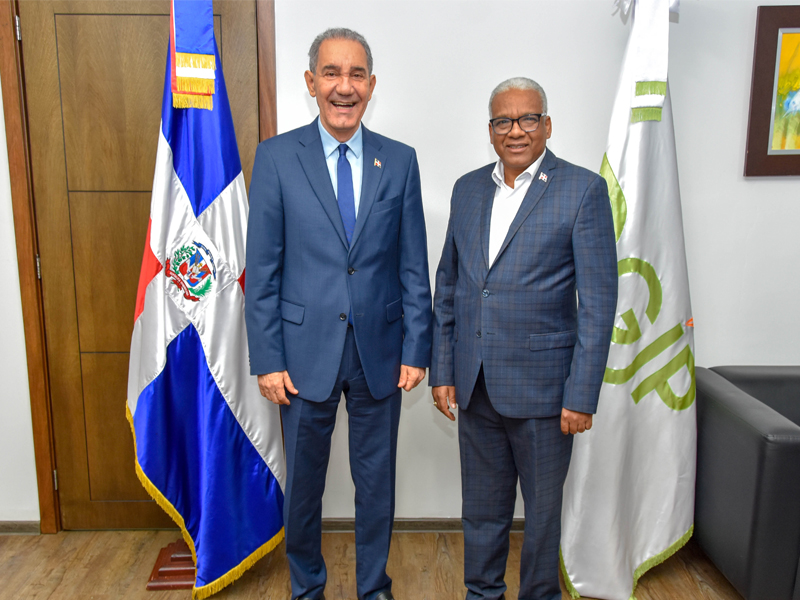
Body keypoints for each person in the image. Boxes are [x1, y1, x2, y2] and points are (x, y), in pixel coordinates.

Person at [245, 28, 432, 600]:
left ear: (371, 86)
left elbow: (412, 263)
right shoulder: (277, 158)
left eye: (355, 75)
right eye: (331, 73)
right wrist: (269, 358)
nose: (343, 87)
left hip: (380, 353)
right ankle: (308, 588)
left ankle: (374, 588)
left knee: (377, 487)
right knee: (303, 489)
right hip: (301, 358)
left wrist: (417, 348)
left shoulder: (399, 161)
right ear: (310, 83)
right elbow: (263, 272)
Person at [430, 77, 618, 600]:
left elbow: (599, 305)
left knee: (541, 518)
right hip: (476, 386)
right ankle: (482, 593)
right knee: (482, 512)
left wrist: (581, 396)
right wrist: (443, 370)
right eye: (503, 121)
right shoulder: (467, 189)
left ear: (547, 125)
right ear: (490, 130)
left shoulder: (581, 190)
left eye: (527, 118)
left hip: (545, 394)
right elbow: (449, 286)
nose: (516, 130)